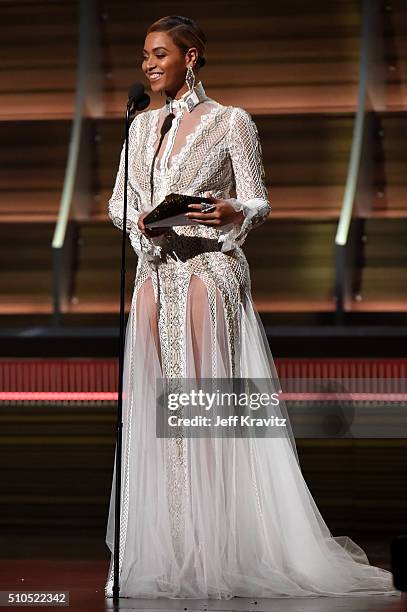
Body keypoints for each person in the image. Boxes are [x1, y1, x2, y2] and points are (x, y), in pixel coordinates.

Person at [105, 15, 399, 600]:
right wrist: (138, 222)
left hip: (207, 274)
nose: (148, 64)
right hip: (154, 275)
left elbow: (259, 199)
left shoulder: (230, 122)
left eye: (159, 53)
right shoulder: (138, 128)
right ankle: (170, 549)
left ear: (190, 58)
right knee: (155, 418)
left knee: (202, 412)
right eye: (143, 54)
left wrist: (232, 212)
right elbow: (118, 201)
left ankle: (222, 548)